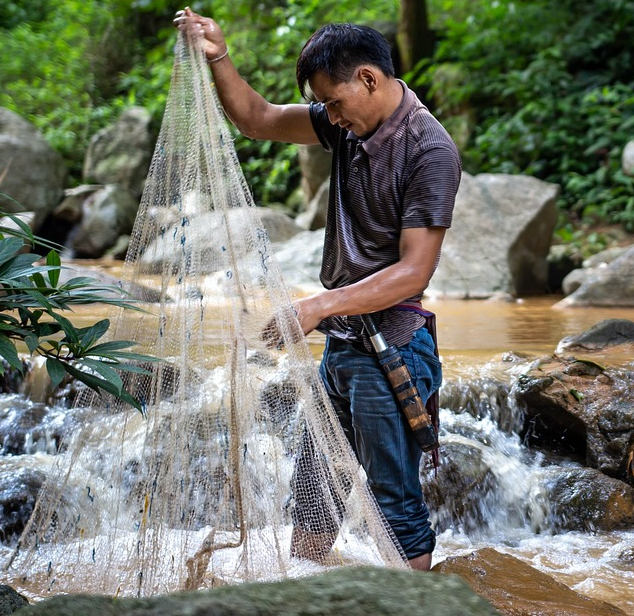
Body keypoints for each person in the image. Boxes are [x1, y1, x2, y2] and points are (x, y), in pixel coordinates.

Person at [174, 7, 460, 571]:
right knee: (311, 506)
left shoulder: (430, 150)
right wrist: (220, 56)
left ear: (369, 80)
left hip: (393, 351)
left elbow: (414, 273)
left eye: (334, 102)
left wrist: (317, 305)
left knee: (396, 510)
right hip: (343, 348)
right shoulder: (346, 120)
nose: (329, 116)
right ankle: (312, 594)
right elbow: (257, 119)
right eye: (324, 105)